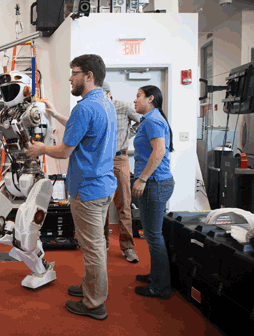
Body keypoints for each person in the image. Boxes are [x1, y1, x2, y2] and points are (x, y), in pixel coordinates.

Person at [26, 54, 117, 320]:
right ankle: (93, 288)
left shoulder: (85, 108)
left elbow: (65, 151)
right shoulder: (105, 103)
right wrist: (55, 115)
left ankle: (94, 303)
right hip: (103, 187)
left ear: (88, 76)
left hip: (87, 191)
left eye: (74, 72)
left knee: (92, 249)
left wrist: (41, 148)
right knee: (96, 244)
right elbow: (82, 128)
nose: (70, 77)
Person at [131, 85, 175, 299]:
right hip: (155, 182)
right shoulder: (150, 120)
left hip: (155, 183)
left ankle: (160, 287)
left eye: (138, 96)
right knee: (151, 235)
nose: (135, 100)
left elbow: (158, 152)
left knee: (154, 236)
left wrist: (142, 179)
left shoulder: (153, 121)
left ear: (150, 99)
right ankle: (157, 276)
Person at [102, 82, 142, 263]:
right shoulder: (97, 109)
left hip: (120, 158)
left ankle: (128, 247)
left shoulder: (123, 106)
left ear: (109, 94)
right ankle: (102, 244)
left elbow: (143, 122)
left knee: (124, 204)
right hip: (100, 161)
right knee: (100, 204)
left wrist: (129, 134)